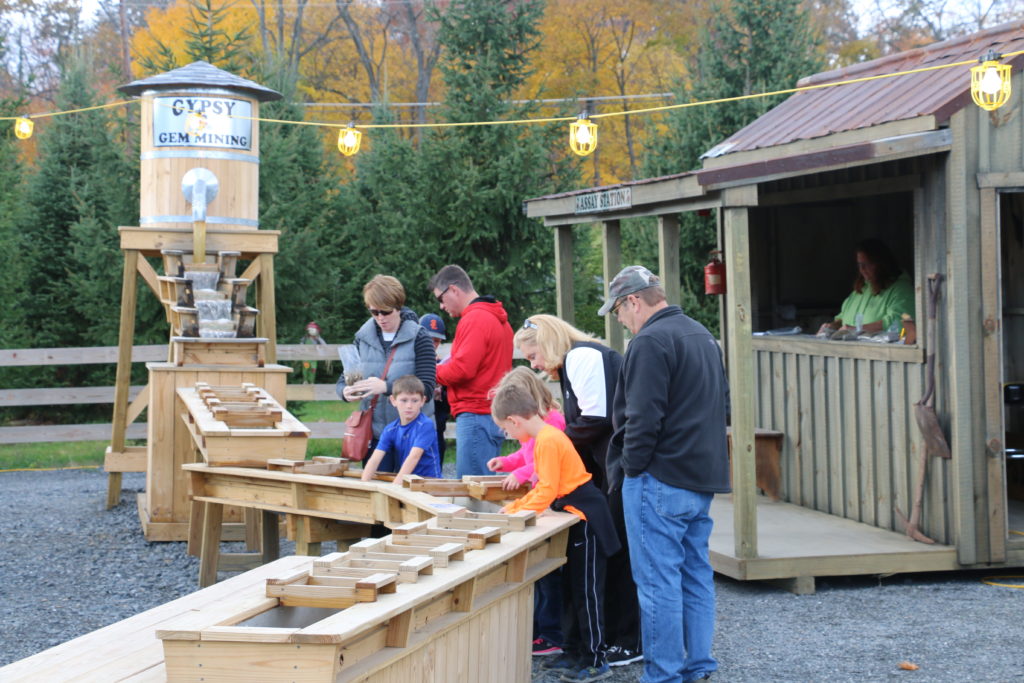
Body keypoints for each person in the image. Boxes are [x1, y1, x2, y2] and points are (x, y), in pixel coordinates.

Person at [601, 265, 730, 683]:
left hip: (659, 479)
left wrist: (632, 471)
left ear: (633, 301)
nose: (619, 320)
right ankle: (699, 667)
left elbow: (642, 420)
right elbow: (721, 408)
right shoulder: (702, 335)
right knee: (695, 576)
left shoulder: (650, 341)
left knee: (657, 585)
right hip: (701, 477)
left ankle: (664, 675)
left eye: (618, 310)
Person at [514, 314, 642, 667]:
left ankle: (627, 639)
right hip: (606, 471)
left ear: (550, 341)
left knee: (618, 558)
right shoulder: (576, 362)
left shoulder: (580, 356)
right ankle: (611, 637)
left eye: (533, 355)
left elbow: (596, 418)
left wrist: (553, 448)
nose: (535, 365)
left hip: (616, 469)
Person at [493, 372, 619, 683]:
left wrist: (515, 514)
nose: (507, 433)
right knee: (571, 589)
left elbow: (547, 490)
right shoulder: (542, 439)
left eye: (505, 428)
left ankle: (595, 659)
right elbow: (542, 489)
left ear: (514, 420)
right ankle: (573, 651)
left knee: (587, 591)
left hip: (586, 516)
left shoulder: (548, 440)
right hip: (573, 513)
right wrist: (513, 508)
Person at [486, 366, 567, 659]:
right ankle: (540, 631)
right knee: (539, 574)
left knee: (548, 573)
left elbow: (543, 462)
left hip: (551, 503)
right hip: (540, 499)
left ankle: (551, 634)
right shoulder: (533, 426)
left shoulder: (552, 423)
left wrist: (520, 476)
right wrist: (508, 462)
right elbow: (526, 453)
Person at [336, 275, 436, 470]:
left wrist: (387, 387)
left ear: (398, 306)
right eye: (374, 312)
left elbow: (428, 388)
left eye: (386, 311)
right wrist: (345, 392)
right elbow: (344, 379)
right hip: (376, 437)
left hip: (414, 436)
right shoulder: (362, 338)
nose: (380, 318)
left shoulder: (419, 336)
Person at [430, 264, 513, 477]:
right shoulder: (496, 317)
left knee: (472, 494)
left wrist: (430, 373)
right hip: (489, 413)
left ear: (454, 290)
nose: (441, 306)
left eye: (441, 299)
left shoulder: (475, 319)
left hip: (476, 415)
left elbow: (462, 370)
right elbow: (482, 371)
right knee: (483, 490)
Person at [816, 238, 915, 340]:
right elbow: (843, 317)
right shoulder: (860, 290)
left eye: (868, 264)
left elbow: (900, 321)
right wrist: (832, 326)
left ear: (882, 264)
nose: (862, 269)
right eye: (860, 264)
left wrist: (856, 329)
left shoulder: (902, 290)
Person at [361, 375, 441, 485]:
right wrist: (364, 484)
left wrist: (395, 487)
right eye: (404, 400)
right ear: (393, 401)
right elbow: (375, 459)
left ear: (422, 401)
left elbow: (414, 457)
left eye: (415, 400)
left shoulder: (425, 425)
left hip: (429, 483)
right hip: (406, 482)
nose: (409, 405)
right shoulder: (390, 429)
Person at [419, 313, 452, 462]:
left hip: (436, 426)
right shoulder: (408, 360)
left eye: (436, 341)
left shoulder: (442, 363)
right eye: (428, 339)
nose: (432, 344)